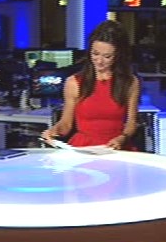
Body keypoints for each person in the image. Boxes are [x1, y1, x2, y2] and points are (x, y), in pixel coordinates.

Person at [41, 20, 141, 150]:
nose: (99, 61)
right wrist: (54, 131)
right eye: (95, 54)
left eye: (107, 56)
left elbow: (131, 123)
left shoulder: (130, 82)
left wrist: (123, 138)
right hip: (84, 148)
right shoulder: (74, 82)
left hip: (116, 148)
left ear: (118, 56)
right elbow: (66, 125)